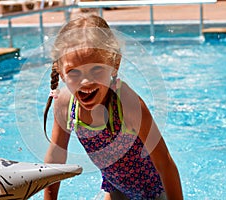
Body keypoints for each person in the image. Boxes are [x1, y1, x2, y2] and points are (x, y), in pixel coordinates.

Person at [43, 14, 183, 200]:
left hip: (154, 192)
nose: (85, 81)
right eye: (73, 72)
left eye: (96, 69)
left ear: (115, 64)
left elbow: (165, 164)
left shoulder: (128, 104)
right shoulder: (65, 104)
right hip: (116, 190)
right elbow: (56, 159)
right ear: (60, 72)